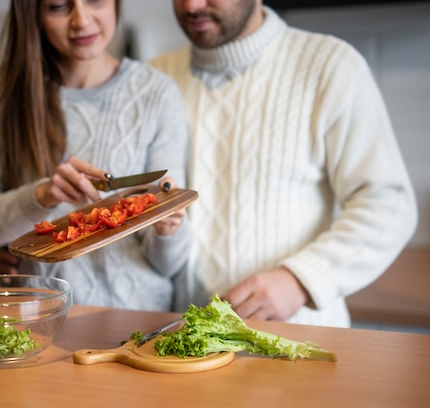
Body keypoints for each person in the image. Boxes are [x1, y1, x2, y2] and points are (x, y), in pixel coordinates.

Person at [149, 0, 418, 326]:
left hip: (300, 340)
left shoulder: (331, 66)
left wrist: (301, 279)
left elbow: (388, 202)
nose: (191, 6)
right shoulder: (154, 79)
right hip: (183, 342)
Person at [0, 0, 193, 312]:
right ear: (34, 15)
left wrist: (169, 230)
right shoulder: (7, 89)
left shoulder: (157, 93)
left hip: (139, 323)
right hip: (42, 322)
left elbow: (169, 266)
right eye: (58, 6)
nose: (81, 20)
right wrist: (40, 196)